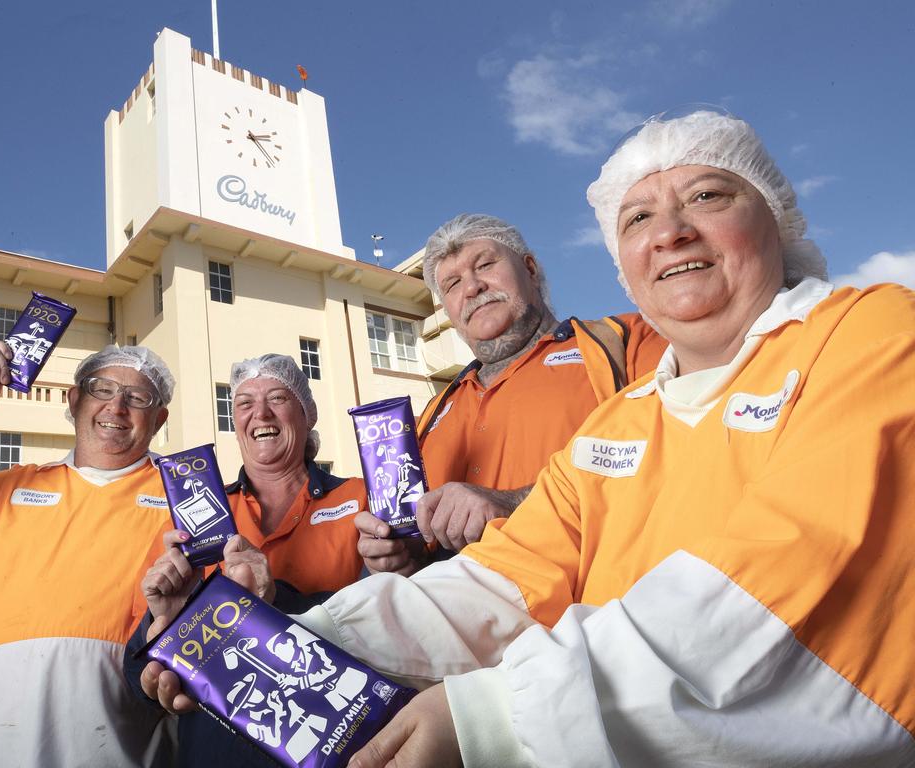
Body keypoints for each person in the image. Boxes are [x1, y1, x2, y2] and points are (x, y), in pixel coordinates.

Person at [147, 107, 915, 765]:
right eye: (638, 217)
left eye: (708, 195)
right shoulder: (616, 419)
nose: (671, 232)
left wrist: (492, 716)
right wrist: (274, 645)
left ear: (773, 216)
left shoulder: (870, 334)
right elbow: (501, 579)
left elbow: (781, 591)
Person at [0, 343, 177, 767]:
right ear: (75, 400)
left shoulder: (187, 502)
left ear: (159, 419)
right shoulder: (3, 492)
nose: (116, 407)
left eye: (138, 398)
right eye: (102, 389)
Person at [355, 214, 667, 575]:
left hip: (594, 607)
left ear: (530, 269)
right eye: (452, 284)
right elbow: (416, 551)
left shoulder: (625, 342)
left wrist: (516, 502)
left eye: (485, 264)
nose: (472, 288)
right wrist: (400, 556)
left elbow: (681, 454)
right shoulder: (429, 416)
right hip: (454, 617)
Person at [127, 353, 368, 766]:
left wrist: (272, 604)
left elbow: (390, 630)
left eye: (277, 397)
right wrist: (164, 623)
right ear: (235, 421)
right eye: (243, 403)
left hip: (339, 748)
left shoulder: (360, 499)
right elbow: (138, 680)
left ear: (307, 413)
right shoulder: (192, 519)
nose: (260, 412)